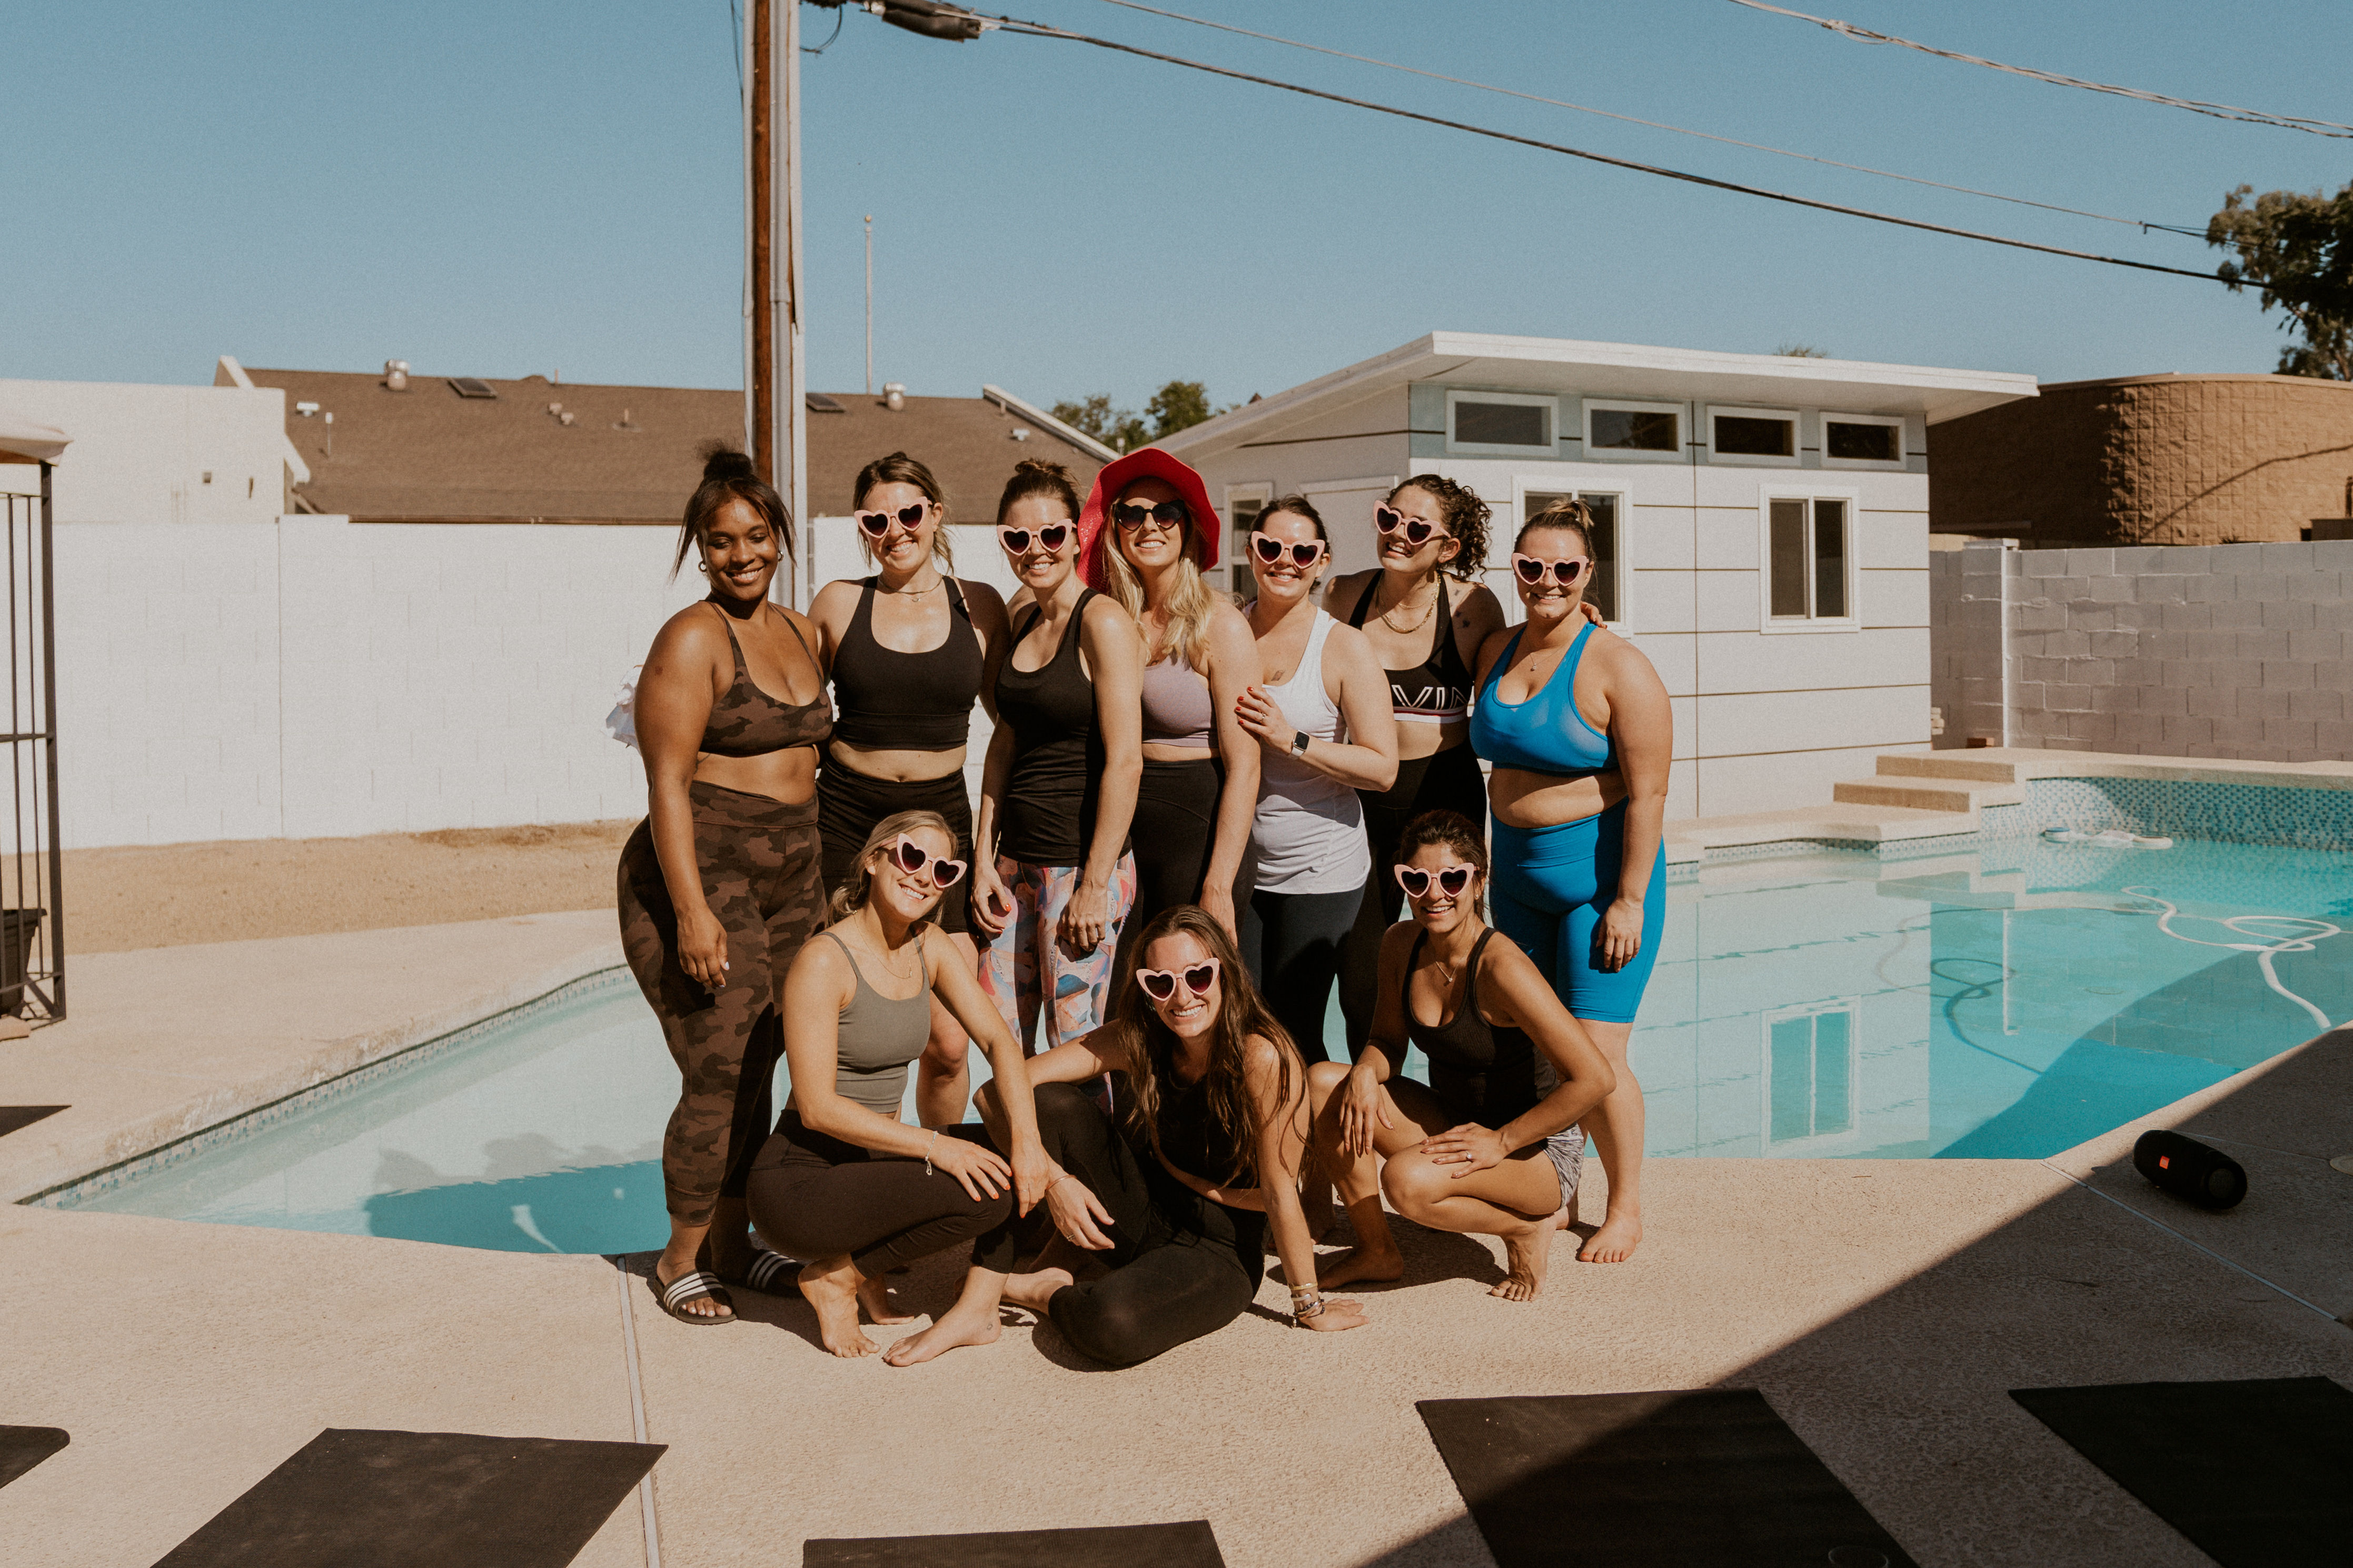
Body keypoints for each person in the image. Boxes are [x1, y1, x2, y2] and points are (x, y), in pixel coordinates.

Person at [881, 905, 1368, 1369]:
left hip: (1217, 1247)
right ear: (1144, 987)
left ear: (1225, 973)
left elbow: (1282, 1193)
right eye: (1161, 983)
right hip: (1136, 1205)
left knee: (1112, 1325)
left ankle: (1040, 1287)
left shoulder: (1262, 1057)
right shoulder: (1139, 1036)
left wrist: (1309, 1304)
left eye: (1198, 976)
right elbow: (994, 1093)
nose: (1182, 998)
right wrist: (1054, 1181)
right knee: (1043, 1104)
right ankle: (980, 1296)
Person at [618, 446, 831, 1325]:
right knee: (717, 1068)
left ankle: (736, 1242)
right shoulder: (692, 636)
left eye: (754, 535)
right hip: (703, 867)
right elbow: (665, 781)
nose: (740, 554)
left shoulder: (800, 629)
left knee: (775, 1057)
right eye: (719, 541)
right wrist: (694, 912)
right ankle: (679, 1254)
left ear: (778, 537)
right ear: (698, 549)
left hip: (796, 867)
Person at [747, 811, 1051, 1357]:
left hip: (869, 1168)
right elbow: (817, 1108)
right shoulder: (824, 961)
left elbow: (999, 1042)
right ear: (873, 859)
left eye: (942, 871)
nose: (922, 877)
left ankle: (871, 1274)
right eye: (911, 857)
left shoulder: (927, 946)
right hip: (801, 1184)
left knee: (1020, 1156)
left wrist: (1026, 1143)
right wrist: (939, 1145)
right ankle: (835, 1278)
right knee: (989, 1190)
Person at [1470, 498, 1671, 1265]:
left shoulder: (1620, 665)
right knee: (1541, 1049)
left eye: (1563, 567)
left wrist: (1626, 899)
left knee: (1597, 1054)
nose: (1545, 580)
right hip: (1518, 878)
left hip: (1598, 887)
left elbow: (1649, 792)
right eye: (1531, 566)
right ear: (1513, 570)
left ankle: (1624, 1206)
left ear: (1589, 572)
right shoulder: (1495, 645)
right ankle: (1563, 1188)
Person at [1309, 810, 1615, 1301]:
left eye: (1452, 877)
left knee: (1405, 1183)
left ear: (1478, 882)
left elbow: (1595, 1079)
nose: (1434, 894)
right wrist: (1367, 1070)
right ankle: (1376, 1249)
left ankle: (1520, 1229)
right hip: (1458, 1122)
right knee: (1326, 1082)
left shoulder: (1502, 968)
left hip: (1534, 1153)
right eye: (1417, 878)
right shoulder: (1401, 943)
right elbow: (1388, 1040)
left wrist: (1502, 1140)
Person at [808, 452, 1010, 1127]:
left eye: (909, 513)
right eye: (876, 518)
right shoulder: (840, 602)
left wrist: (983, 853)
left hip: (939, 825)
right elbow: (799, 717)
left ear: (936, 515)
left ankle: (934, 1188)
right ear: (861, 526)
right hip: (846, 822)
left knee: (949, 1042)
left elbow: (1008, 731)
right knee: (852, 1033)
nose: (895, 529)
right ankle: (852, 1180)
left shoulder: (978, 605)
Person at [1323, 476, 1506, 1058]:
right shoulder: (1343, 595)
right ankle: (1374, 1100)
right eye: (1388, 518)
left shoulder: (1473, 606)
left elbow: (1523, 665)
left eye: (1417, 527)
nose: (1397, 535)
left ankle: (1464, 1091)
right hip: (1364, 799)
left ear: (1447, 546)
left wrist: (1583, 620)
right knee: (1362, 966)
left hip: (1445, 793)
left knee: (1456, 955)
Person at [972, 460, 1144, 1052]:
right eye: (1017, 538)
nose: (1035, 550)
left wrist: (1094, 885)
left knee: (1076, 1045)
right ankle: (1023, 1148)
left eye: (1050, 535)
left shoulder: (1103, 623)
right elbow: (1004, 742)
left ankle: (1078, 1149)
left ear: (1077, 535)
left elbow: (1126, 761)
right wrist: (982, 862)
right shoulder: (1021, 618)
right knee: (1000, 1039)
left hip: (1078, 870)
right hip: (1014, 869)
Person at [1233, 496, 1397, 1064]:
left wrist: (1293, 741)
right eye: (1270, 547)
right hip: (1241, 861)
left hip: (1319, 866)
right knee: (1244, 1025)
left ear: (1322, 560)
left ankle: (1308, 1152)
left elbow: (1382, 767)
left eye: (1301, 550)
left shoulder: (1344, 647)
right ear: (1249, 551)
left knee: (1294, 1027)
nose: (1285, 560)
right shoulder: (1224, 630)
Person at [1083, 448, 1259, 945]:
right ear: (1114, 528)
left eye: (1166, 513)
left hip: (1196, 829)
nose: (1149, 526)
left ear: (1188, 528)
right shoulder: (1105, 617)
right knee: (1123, 1002)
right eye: (1131, 514)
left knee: (1189, 991)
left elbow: (1246, 765)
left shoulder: (1220, 624)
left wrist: (1219, 884)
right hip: (1122, 827)